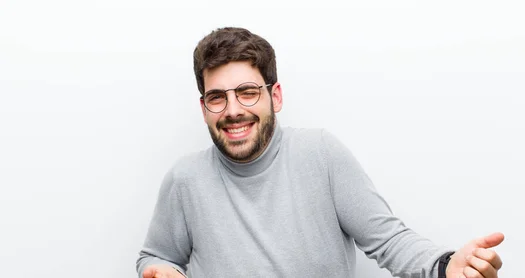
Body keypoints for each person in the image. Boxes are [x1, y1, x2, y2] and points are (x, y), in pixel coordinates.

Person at [135, 27, 504, 278]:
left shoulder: (320, 154)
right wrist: (160, 270)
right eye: (217, 97)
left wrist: (445, 265)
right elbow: (155, 257)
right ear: (204, 109)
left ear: (274, 97)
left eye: (247, 91)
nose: (233, 110)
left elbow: (389, 240)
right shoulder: (185, 179)